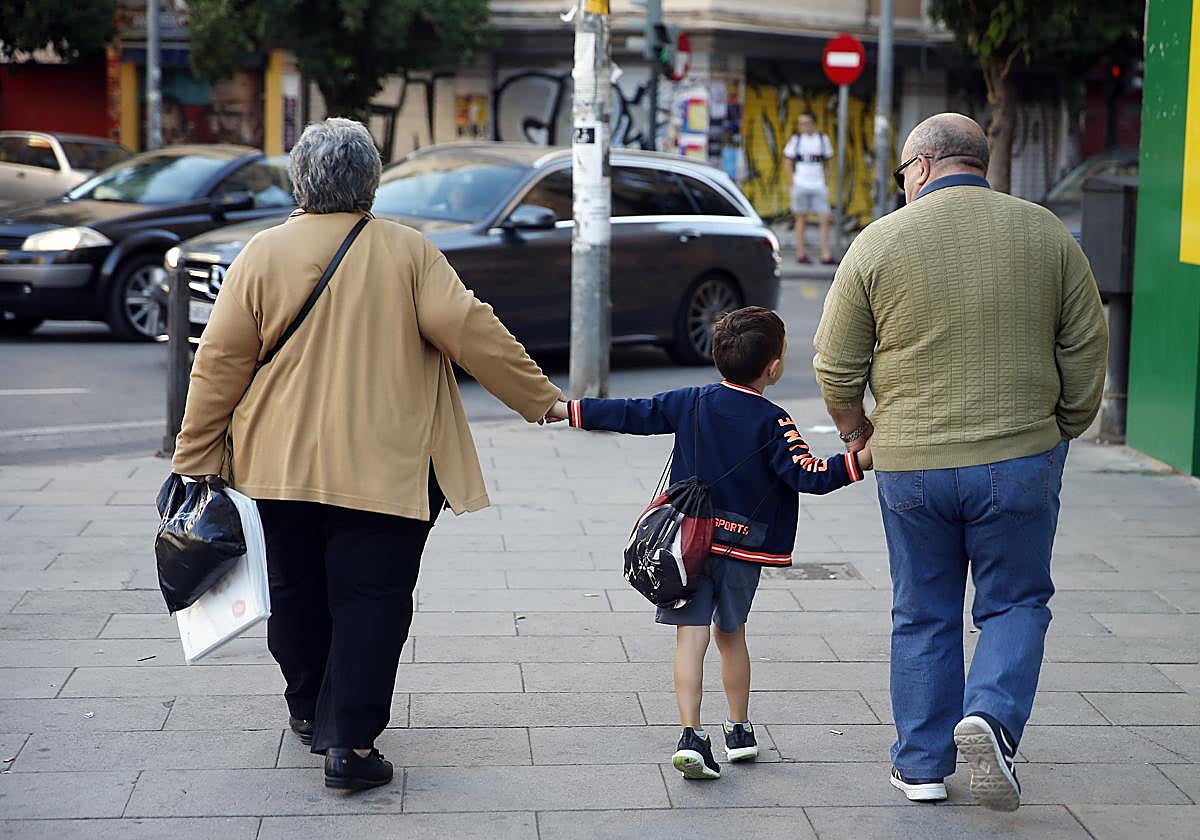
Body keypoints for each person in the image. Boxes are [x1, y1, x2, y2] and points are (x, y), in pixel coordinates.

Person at [171, 118, 563, 791]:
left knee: (292, 593)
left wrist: (194, 456)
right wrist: (541, 399)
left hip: (277, 468)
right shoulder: (410, 253)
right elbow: (472, 328)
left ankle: (306, 708)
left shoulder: (260, 255)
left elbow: (217, 365)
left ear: (299, 179)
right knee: (372, 600)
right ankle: (349, 745)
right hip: (386, 469)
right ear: (371, 184)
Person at [813, 113, 1108, 810]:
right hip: (1019, 454)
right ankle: (992, 719)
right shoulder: (1047, 235)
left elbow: (835, 364)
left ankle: (920, 764)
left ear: (918, 168)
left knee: (922, 609)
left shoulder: (879, 241)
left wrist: (859, 434)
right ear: (980, 161)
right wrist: (1061, 427)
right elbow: (1086, 350)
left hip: (911, 463)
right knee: (1014, 601)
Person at [547, 306, 871, 780]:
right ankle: (739, 731)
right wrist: (861, 460)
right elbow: (808, 475)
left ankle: (691, 735)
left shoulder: (691, 401)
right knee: (731, 635)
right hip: (744, 549)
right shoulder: (774, 421)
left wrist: (566, 410)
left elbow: (630, 413)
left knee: (690, 637)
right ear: (774, 368)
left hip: (686, 548)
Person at [783, 112, 835, 265]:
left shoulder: (822, 139)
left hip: (818, 185)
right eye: (801, 123)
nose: (803, 126)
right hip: (801, 184)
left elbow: (828, 162)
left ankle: (825, 255)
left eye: (806, 123)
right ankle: (801, 254)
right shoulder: (796, 140)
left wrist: (825, 180)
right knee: (801, 219)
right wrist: (793, 183)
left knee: (825, 218)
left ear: (813, 124)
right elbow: (788, 162)